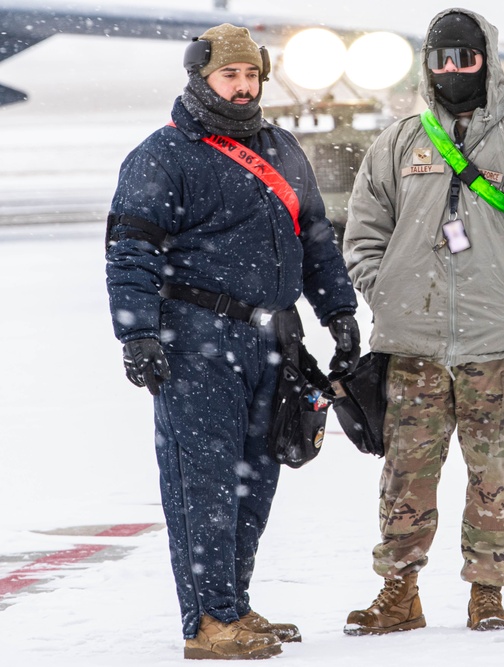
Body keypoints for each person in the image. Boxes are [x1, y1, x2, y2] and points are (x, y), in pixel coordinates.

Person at [104, 23, 359, 660]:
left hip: (271, 340)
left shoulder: (283, 148)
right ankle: (208, 624)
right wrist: (138, 335)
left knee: (255, 478)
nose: (243, 88)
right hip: (196, 343)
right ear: (201, 78)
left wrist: (340, 315)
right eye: (230, 76)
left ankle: (233, 606)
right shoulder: (162, 155)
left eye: (251, 76)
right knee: (204, 485)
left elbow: (318, 240)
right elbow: (130, 251)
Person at [341, 8, 504, 635]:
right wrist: (382, 289)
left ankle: (487, 592)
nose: (452, 71)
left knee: (493, 472)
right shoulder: (398, 144)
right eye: (441, 59)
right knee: (406, 472)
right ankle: (399, 592)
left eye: (464, 58)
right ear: (427, 64)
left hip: (499, 345)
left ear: (487, 62)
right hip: (412, 341)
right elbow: (364, 231)